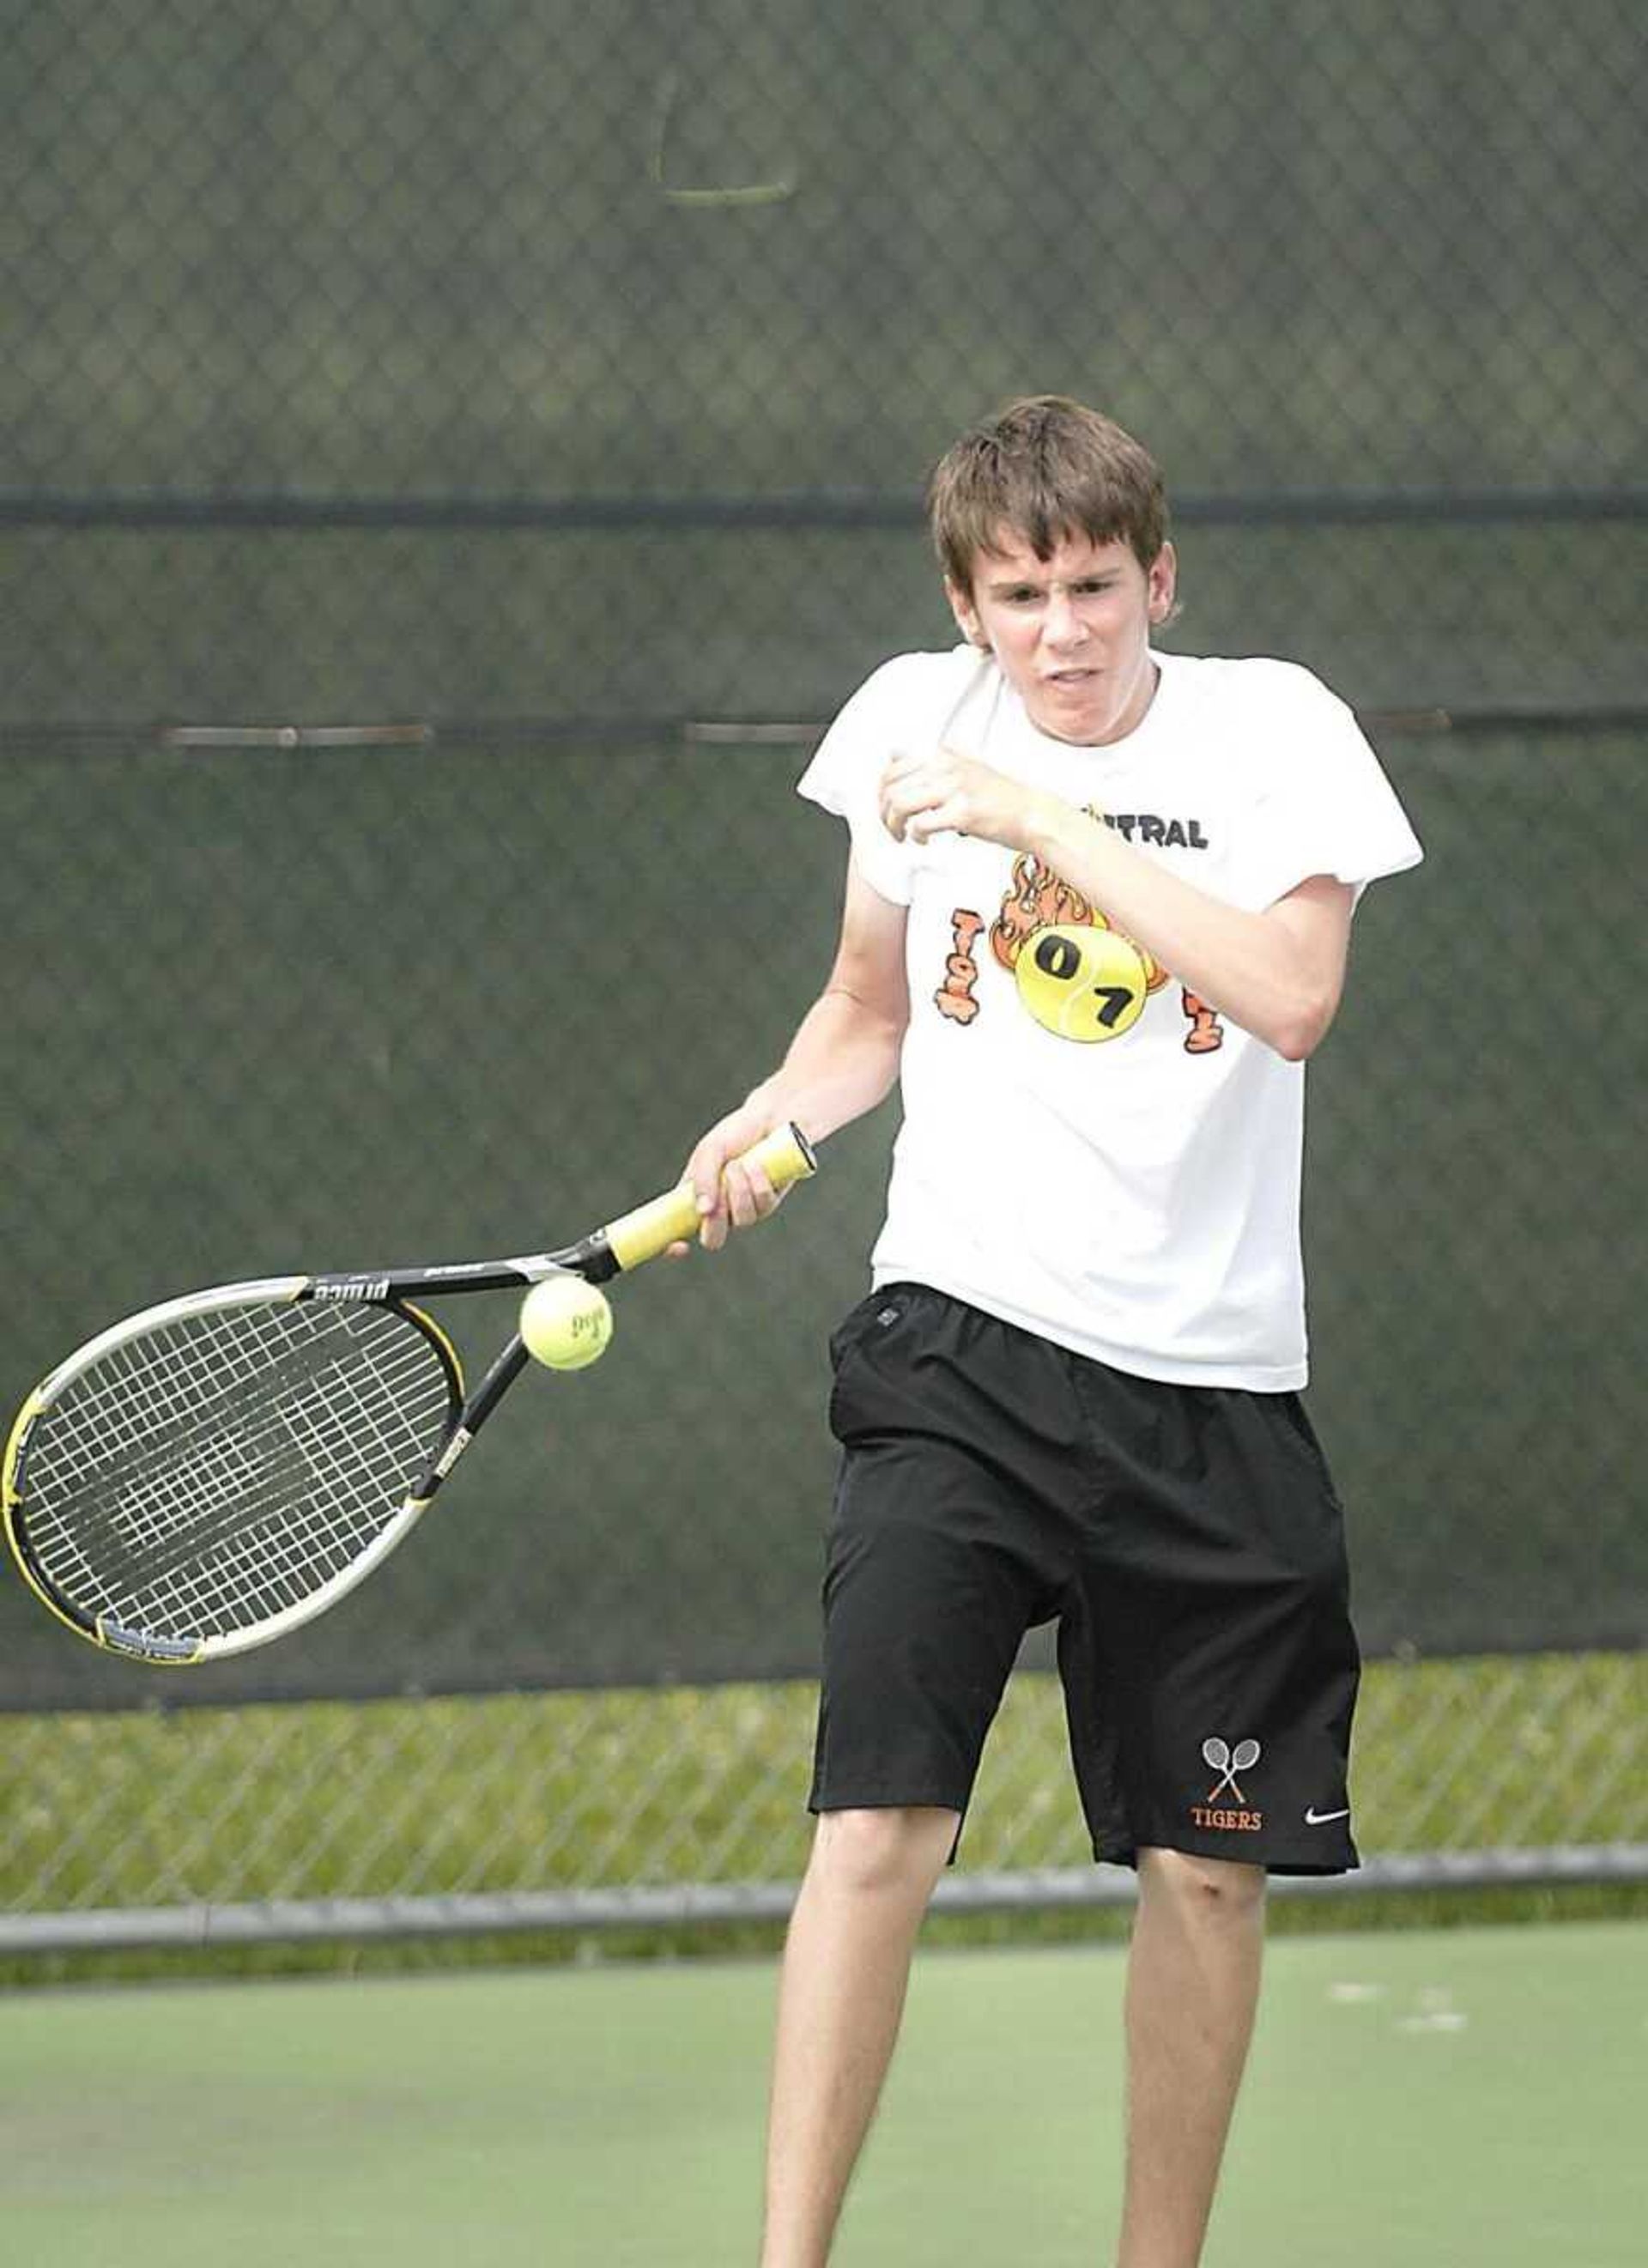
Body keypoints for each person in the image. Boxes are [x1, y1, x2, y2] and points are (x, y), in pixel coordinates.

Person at [681, 394, 1422, 2268]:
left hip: (1213, 1396)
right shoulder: (903, 726)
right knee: (879, 1821)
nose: (1064, 631)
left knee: (1211, 1871)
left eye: (1097, 584)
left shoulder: (1277, 733)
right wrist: (775, 1123)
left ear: (1158, 577)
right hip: (960, 1354)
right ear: (968, 604)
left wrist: (1035, 810)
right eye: (1021, 595)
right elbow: (866, 1010)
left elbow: (1289, 993)